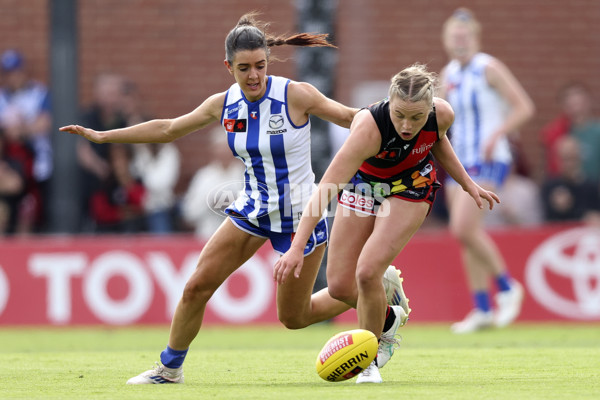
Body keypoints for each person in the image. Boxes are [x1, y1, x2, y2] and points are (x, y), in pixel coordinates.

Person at [60, 12, 407, 384]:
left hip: (300, 216)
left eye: (260, 66)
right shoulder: (223, 104)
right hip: (252, 211)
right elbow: (167, 129)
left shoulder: (296, 94)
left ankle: (380, 305)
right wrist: (103, 136)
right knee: (195, 286)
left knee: (294, 317)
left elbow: (354, 119)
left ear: (268, 62)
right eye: (244, 68)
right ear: (228, 67)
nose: (254, 75)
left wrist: (406, 125)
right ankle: (169, 368)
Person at [274, 63, 500, 383]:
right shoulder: (367, 128)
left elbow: (438, 142)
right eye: (400, 115)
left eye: (417, 117)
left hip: (412, 186)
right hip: (364, 186)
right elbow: (326, 188)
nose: (407, 126)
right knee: (339, 285)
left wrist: (467, 184)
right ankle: (388, 314)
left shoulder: (442, 114)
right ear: (388, 103)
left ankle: (369, 363)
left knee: (367, 271)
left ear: (430, 108)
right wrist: (297, 247)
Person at [439, 8, 535, 333]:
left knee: (463, 228)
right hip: (460, 159)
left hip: (489, 156)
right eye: (454, 37)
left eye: (464, 36)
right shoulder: (449, 73)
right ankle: (481, 308)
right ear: (446, 41)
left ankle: (508, 287)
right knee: (466, 236)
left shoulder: (489, 68)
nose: (459, 42)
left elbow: (524, 106)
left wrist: (498, 133)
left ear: (475, 37)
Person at [0, 49, 52, 232]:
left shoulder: (39, 93)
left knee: (33, 213)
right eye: (8, 73)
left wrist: (19, 130)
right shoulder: (2, 97)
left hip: (38, 164)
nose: (13, 77)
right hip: (10, 164)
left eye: (16, 72)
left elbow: (43, 124)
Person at [180, 126, 245, 238]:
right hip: (207, 236)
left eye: (227, 148)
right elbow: (189, 213)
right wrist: (211, 203)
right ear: (213, 149)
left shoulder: (245, 175)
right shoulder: (204, 177)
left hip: (239, 237)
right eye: (220, 148)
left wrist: (235, 203)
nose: (224, 152)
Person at [541, 135, 600, 225]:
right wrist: (556, 207)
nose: (569, 164)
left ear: (579, 158)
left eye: (573, 158)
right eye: (565, 159)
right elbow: (546, 220)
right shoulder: (550, 187)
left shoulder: (592, 186)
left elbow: (595, 214)